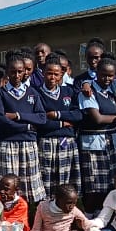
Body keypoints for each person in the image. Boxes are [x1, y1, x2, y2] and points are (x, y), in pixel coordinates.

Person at [0, 55, 47, 205]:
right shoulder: (0, 93)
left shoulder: (33, 93)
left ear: (25, 72)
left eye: (20, 71)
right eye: (12, 72)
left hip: (28, 143)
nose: (16, 75)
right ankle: (7, 219)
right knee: (8, 183)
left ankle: (29, 219)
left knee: (30, 183)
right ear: (7, 73)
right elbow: (1, 120)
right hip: (8, 143)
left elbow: (42, 118)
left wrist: (18, 115)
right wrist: (27, 126)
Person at [77, 57, 116, 211]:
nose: (107, 79)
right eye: (103, 75)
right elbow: (97, 118)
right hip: (93, 145)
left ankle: (105, 218)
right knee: (94, 185)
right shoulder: (88, 92)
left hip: (110, 142)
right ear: (96, 73)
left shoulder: (112, 90)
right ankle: (89, 220)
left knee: (110, 184)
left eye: (111, 75)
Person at [34, 59, 82, 200]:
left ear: (62, 74)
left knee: (65, 179)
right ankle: (47, 209)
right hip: (47, 141)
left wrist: (57, 114)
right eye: (49, 73)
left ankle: (65, 210)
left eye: (56, 74)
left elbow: (78, 115)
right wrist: (61, 124)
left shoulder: (69, 91)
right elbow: (41, 120)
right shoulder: (36, 93)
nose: (53, 77)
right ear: (43, 73)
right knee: (47, 178)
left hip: (66, 141)